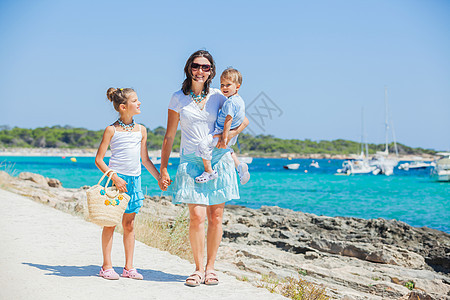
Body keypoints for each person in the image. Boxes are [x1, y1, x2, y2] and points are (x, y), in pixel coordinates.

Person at [159, 50, 249, 286]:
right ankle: (197, 269)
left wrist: (228, 137)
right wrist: (164, 168)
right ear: (189, 68)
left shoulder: (221, 95)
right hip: (190, 160)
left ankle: (211, 268)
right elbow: (169, 137)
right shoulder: (178, 98)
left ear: (212, 71)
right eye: (196, 66)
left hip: (218, 159)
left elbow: (243, 121)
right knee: (196, 216)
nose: (201, 71)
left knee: (216, 216)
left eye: (206, 67)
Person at [95, 87, 160, 280]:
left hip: (135, 181)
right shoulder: (111, 130)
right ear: (123, 107)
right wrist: (114, 177)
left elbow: (145, 160)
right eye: (135, 101)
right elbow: (99, 160)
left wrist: (159, 178)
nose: (139, 103)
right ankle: (106, 267)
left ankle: (129, 268)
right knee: (110, 223)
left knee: (129, 225)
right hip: (116, 181)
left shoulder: (141, 130)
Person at [195, 68, 250, 185]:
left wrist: (224, 138)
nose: (224, 88)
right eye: (222, 85)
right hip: (232, 133)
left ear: (237, 86)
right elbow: (244, 120)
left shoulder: (230, 102)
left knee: (203, 145)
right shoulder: (239, 100)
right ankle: (239, 166)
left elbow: (228, 121)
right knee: (228, 150)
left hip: (222, 132)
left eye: (228, 85)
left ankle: (209, 171)